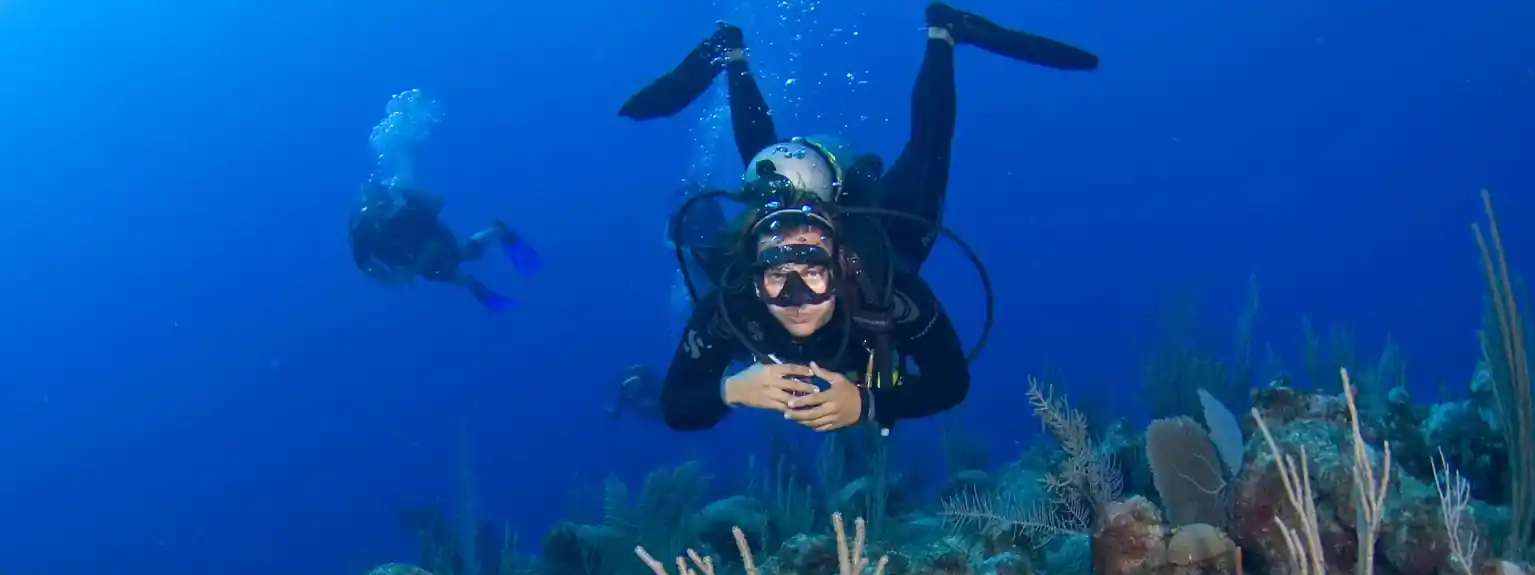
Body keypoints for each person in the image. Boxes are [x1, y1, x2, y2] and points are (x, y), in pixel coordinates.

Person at [622, 7, 1098, 270]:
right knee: (769, 174)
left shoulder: (879, 268)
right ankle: (734, 58)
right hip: (845, 215)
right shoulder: (749, 281)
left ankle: (943, 35)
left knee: (922, 157)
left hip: (875, 229)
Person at [660, 203, 969, 435]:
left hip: (898, 240)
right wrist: (731, 390)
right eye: (778, 275)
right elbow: (675, 406)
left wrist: (868, 403)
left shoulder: (892, 295)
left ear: (838, 272)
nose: (797, 298)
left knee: (928, 156)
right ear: (756, 283)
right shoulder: (729, 308)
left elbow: (951, 383)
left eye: (813, 273)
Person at [348, 179, 542, 311]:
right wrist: (389, 278)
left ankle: (498, 230)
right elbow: (364, 264)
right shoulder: (362, 235)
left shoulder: (407, 214)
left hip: (436, 241)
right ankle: (470, 284)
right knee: (437, 274)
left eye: (381, 206)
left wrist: (411, 269)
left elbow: (434, 240)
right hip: (409, 257)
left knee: (465, 253)